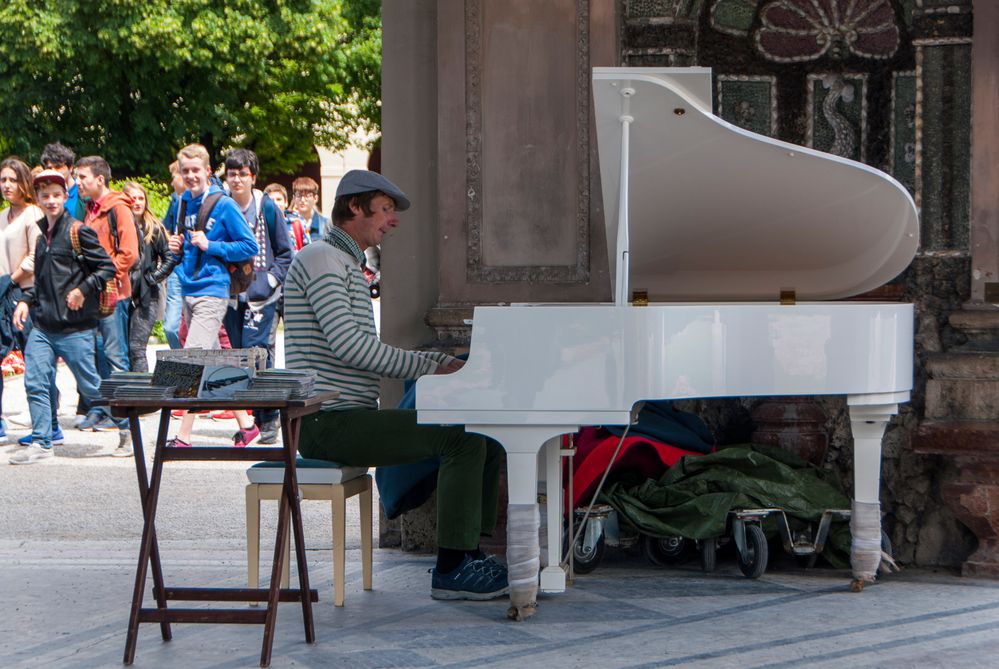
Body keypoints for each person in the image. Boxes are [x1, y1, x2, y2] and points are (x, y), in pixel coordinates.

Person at [284, 169, 508, 600]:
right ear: (355, 207)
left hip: (346, 419)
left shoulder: (343, 262)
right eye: (385, 209)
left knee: (484, 428)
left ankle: (471, 552)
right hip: (325, 423)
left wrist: (442, 361)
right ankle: (454, 566)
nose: (394, 219)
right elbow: (352, 348)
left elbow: (363, 347)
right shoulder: (321, 259)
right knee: (463, 436)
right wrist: (433, 367)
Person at [9, 170, 117, 464]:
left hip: (75, 327)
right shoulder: (42, 233)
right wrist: (26, 301)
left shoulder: (78, 230)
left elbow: (106, 267)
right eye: (45, 196)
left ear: (64, 197)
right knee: (35, 382)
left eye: (57, 195)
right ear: (39, 200)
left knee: (91, 386)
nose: (51, 200)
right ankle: (43, 443)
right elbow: (41, 278)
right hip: (43, 325)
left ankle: (126, 427)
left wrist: (82, 290)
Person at [166, 143, 258, 448]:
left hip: (213, 290)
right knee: (214, 359)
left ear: (207, 171)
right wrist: (177, 247)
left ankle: (183, 436)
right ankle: (247, 425)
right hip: (188, 289)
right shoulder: (181, 202)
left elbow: (249, 247)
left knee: (189, 360)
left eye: (196, 170)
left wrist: (212, 245)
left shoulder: (223, 204)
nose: (191, 176)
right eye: (185, 171)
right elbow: (179, 242)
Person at [221, 150, 292, 444]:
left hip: (262, 296)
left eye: (242, 173)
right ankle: (251, 416)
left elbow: (285, 251)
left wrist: (270, 280)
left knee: (258, 354)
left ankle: (267, 418)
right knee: (239, 353)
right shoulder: (221, 205)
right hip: (231, 294)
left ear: (253, 176)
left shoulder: (265, 206)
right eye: (232, 173)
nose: (237, 179)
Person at [0, 157, 43, 443]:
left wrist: (11, 279)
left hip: (25, 293)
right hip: (2, 292)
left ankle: (47, 425)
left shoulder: (33, 214)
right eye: (3, 180)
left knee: (34, 359)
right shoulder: (2, 215)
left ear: (23, 182)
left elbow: (35, 255)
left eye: (12, 180)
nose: (6, 185)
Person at [122, 181, 170, 373]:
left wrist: (153, 278)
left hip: (147, 296)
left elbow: (170, 258)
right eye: (133, 198)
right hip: (123, 293)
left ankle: (142, 397)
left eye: (141, 198)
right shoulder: (119, 226)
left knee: (137, 347)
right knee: (122, 348)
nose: (137, 202)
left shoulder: (154, 228)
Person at [161, 161, 185, 349]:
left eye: (173, 177)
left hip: (199, 271)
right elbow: (165, 228)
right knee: (171, 327)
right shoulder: (175, 200)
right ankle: (182, 360)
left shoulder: (211, 199)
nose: (171, 182)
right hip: (177, 268)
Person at [39, 143, 85, 220]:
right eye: (49, 168)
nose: (53, 171)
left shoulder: (82, 192)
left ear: (70, 168)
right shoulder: (42, 194)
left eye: (58, 167)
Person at [290, 177, 329, 242]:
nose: (302, 200)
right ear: (294, 198)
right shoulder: (288, 224)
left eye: (307, 196)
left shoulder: (325, 224)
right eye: (299, 195)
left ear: (315, 198)